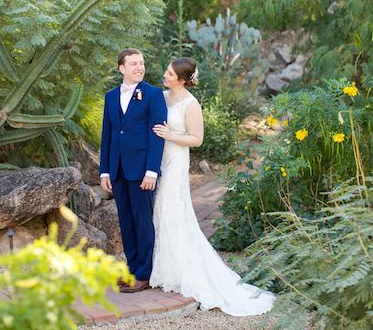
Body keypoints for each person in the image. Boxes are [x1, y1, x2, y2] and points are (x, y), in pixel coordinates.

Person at [150, 57, 275, 315]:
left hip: (175, 160)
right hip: (158, 158)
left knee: (172, 208)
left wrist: (169, 134)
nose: (165, 74)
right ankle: (163, 268)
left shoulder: (190, 103)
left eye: (170, 72)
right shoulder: (160, 96)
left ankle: (181, 272)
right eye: (167, 70)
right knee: (159, 211)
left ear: (183, 80)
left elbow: (197, 139)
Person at [99, 48, 168, 293]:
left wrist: (152, 171)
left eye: (141, 63)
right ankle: (131, 269)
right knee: (126, 222)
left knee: (142, 222)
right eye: (134, 64)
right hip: (117, 169)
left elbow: (157, 136)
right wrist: (104, 171)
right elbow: (107, 134)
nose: (139, 67)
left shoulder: (153, 95)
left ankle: (144, 274)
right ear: (122, 68)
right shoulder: (110, 96)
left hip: (141, 171)